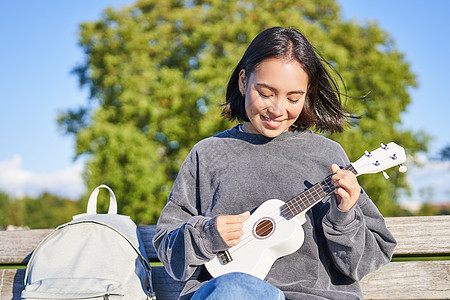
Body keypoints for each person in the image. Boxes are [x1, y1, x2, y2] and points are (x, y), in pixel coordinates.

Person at [152, 26, 396, 300]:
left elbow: (364, 262)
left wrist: (344, 217)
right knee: (235, 289)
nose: (278, 109)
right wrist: (207, 235)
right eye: (266, 93)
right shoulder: (207, 155)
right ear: (243, 82)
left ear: (307, 93)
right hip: (231, 294)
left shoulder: (328, 157)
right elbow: (167, 247)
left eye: (293, 98)